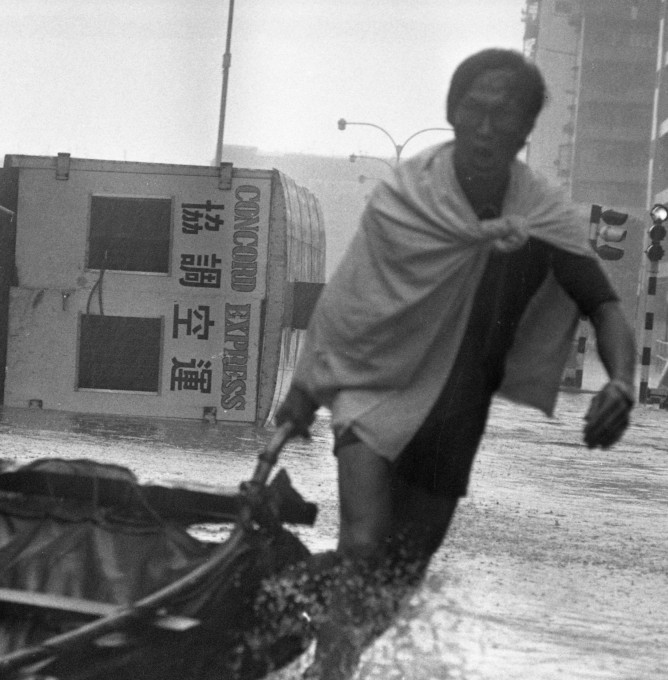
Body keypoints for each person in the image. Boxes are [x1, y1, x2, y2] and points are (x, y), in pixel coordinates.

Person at [270, 49, 636, 679]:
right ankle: (299, 636)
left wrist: (625, 383)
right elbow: (348, 305)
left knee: (390, 588)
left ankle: (304, 629)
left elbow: (604, 305)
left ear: (526, 131)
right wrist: (304, 394)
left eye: (506, 115)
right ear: (453, 114)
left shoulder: (541, 217)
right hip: (373, 391)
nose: (487, 127)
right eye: (475, 110)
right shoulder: (406, 198)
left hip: (453, 420)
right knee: (361, 545)